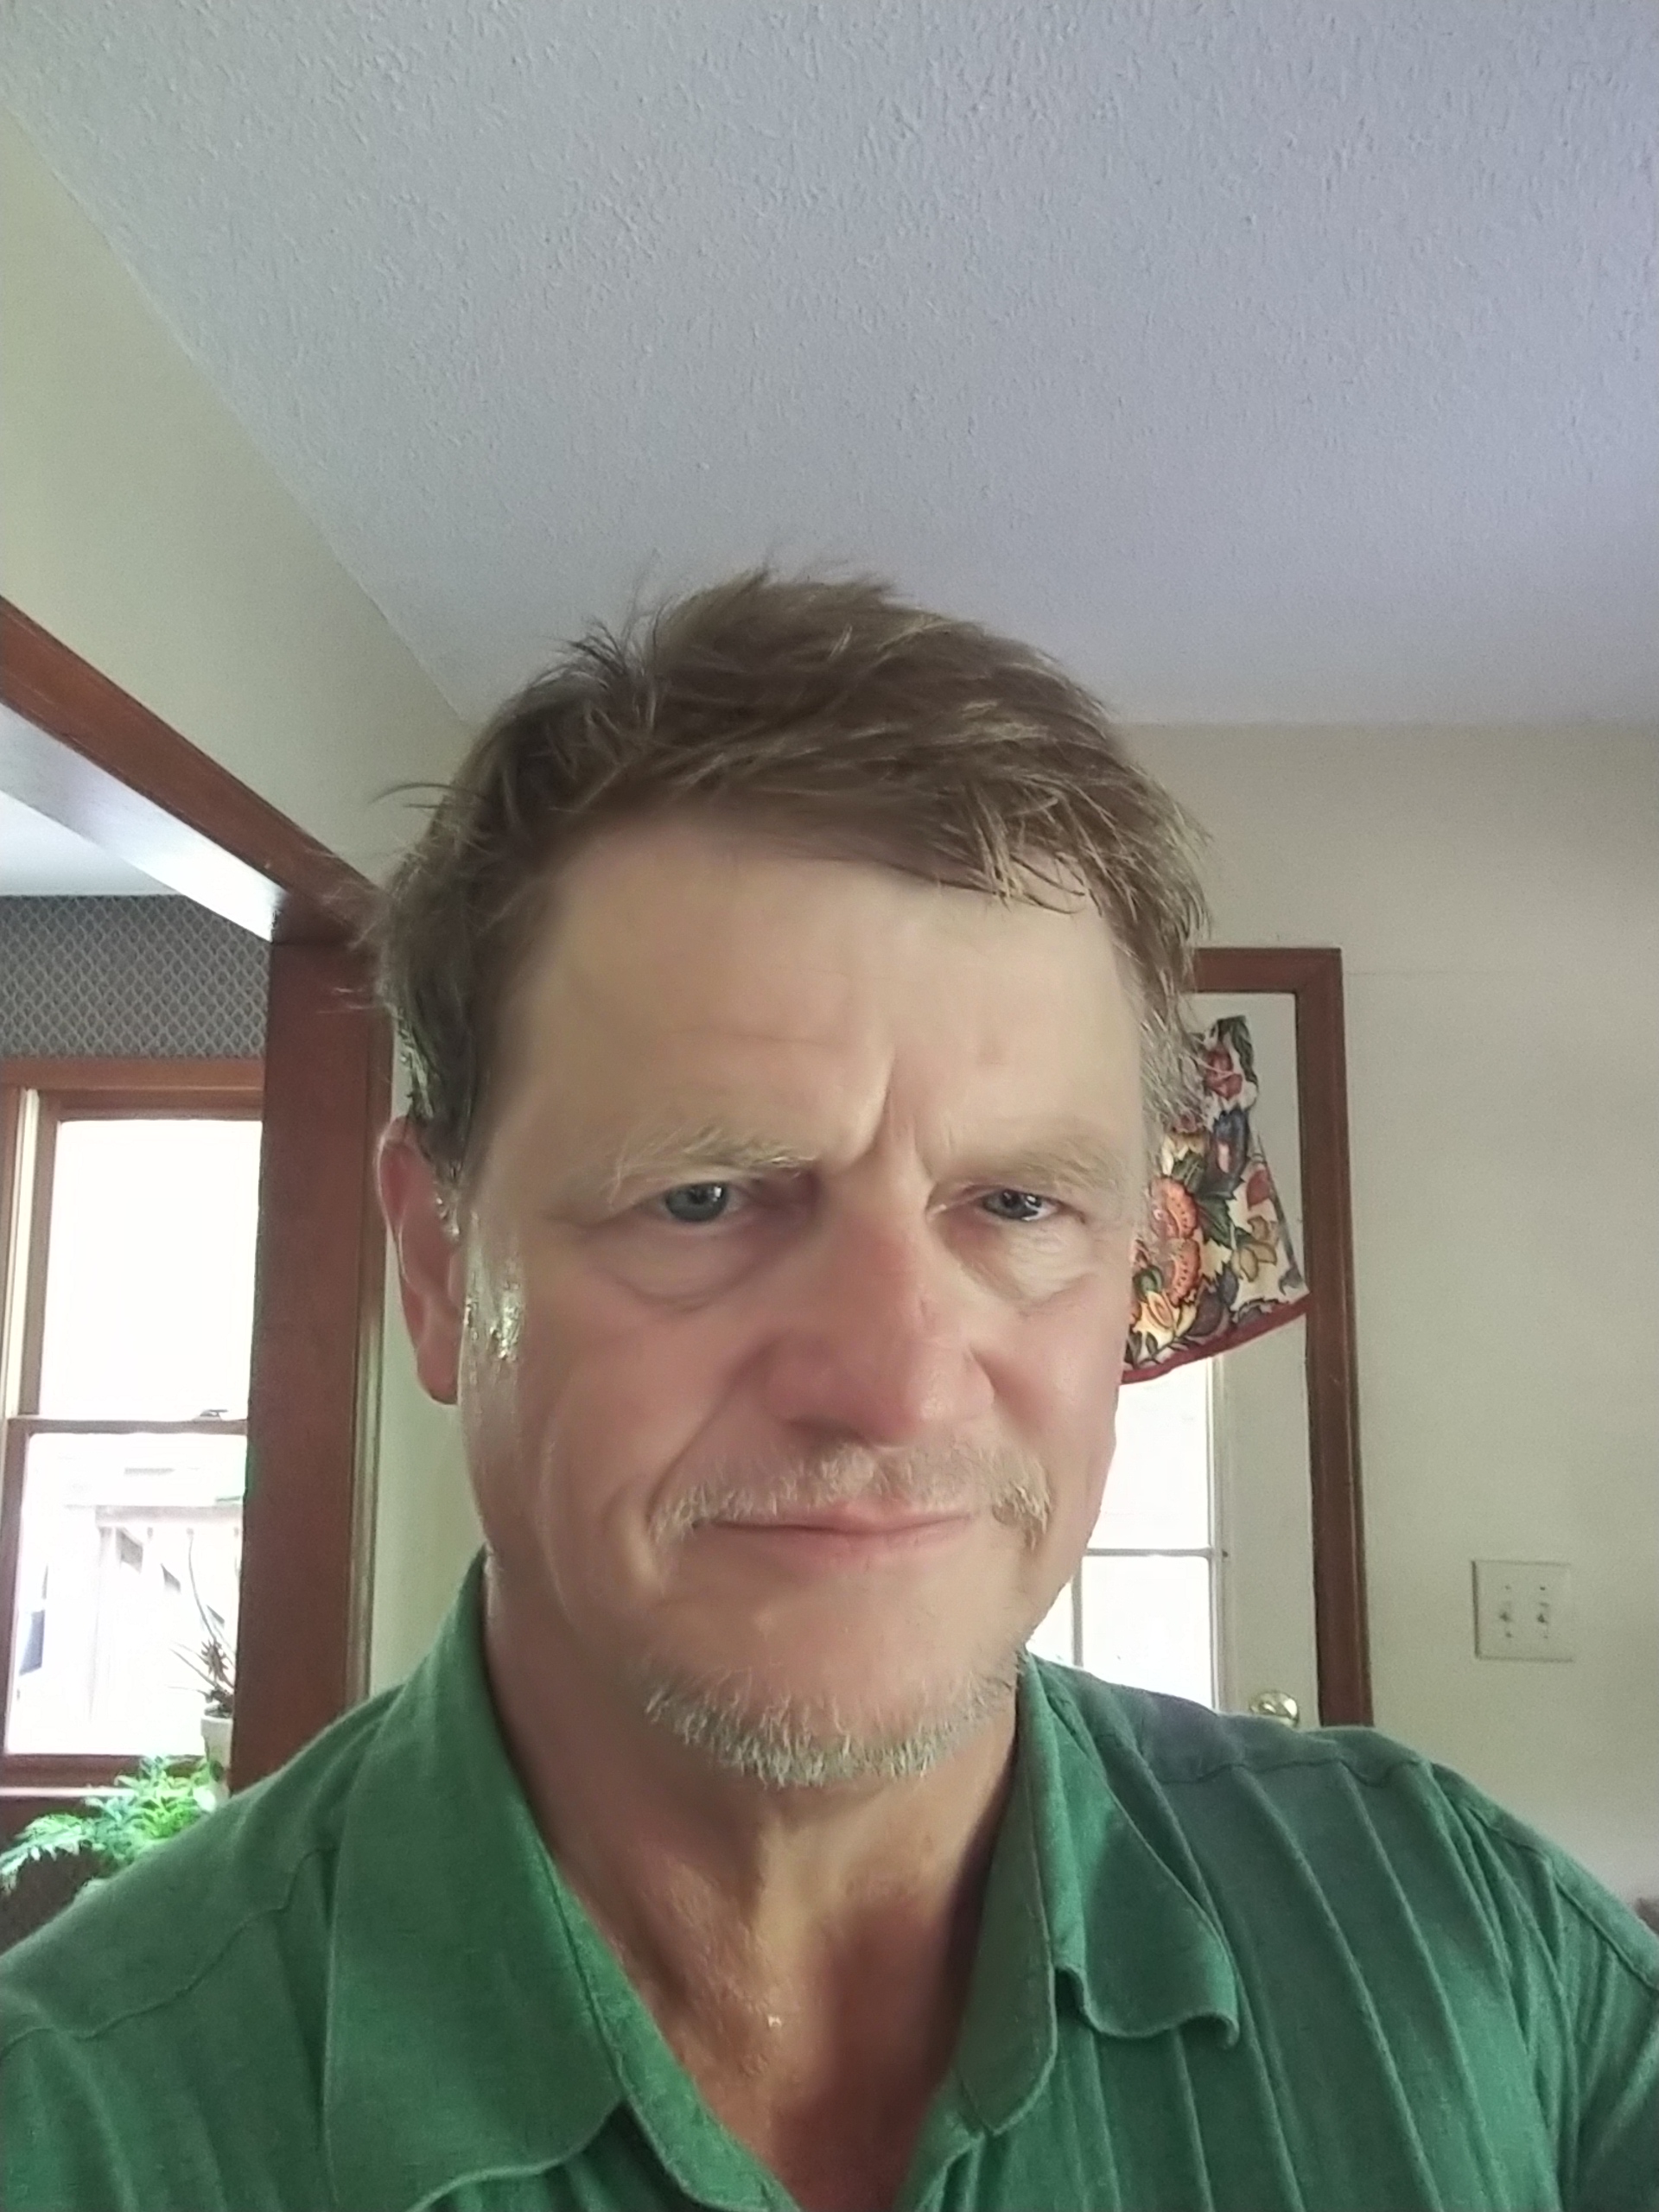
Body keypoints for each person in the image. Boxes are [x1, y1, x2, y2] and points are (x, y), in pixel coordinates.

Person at [3, 573, 1655, 2212]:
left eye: (1016, 1203)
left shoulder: (1481, 1960)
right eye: (705, 1198)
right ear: (439, 1270)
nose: (894, 1384)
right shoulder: (75, 2125)